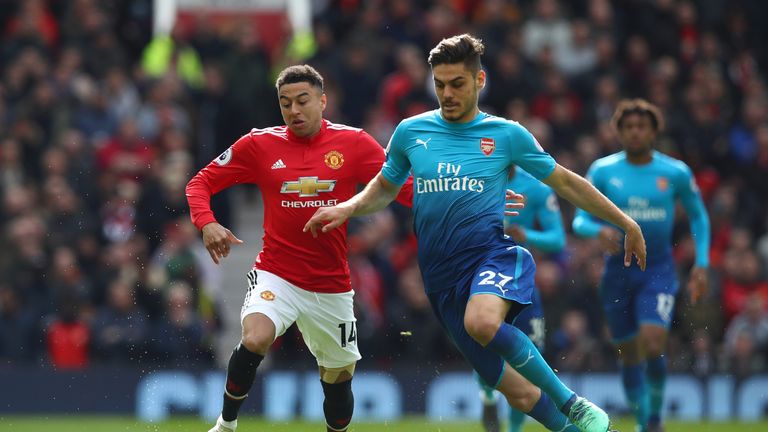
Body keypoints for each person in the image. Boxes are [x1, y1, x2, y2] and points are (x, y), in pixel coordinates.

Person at [305, 34, 646, 432]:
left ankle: (574, 405)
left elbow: (567, 182)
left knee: (482, 323)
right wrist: (347, 207)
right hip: (441, 282)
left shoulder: (507, 135)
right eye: (440, 84)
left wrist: (626, 222)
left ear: (479, 81)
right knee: (518, 394)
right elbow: (385, 187)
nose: (447, 93)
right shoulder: (411, 133)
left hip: (492, 257)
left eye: (457, 84)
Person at [185, 64, 412, 432]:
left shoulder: (354, 143)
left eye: (302, 101)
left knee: (338, 380)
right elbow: (200, 183)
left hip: (331, 284)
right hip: (277, 272)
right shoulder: (259, 144)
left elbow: (404, 188)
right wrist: (207, 222)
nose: (294, 110)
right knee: (256, 337)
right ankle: (225, 425)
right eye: (285, 103)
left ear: (323, 101)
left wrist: (470, 204)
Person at [572, 99, 710, 432]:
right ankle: (640, 419)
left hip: (658, 269)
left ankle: (653, 421)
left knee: (652, 341)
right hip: (617, 273)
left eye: (641, 126)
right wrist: (597, 230)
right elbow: (579, 220)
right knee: (629, 352)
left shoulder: (674, 172)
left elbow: (698, 216)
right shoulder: (603, 171)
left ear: (653, 131)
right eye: (628, 127)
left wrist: (701, 263)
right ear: (618, 132)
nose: (635, 132)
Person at [479, 166, 566, 432]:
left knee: (529, 362)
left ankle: (513, 430)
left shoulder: (537, 189)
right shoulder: (474, 180)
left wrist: (528, 235)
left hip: (520, 282)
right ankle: (488, 397)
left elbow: (558, 239)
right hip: (481, 278)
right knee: (482, 342)